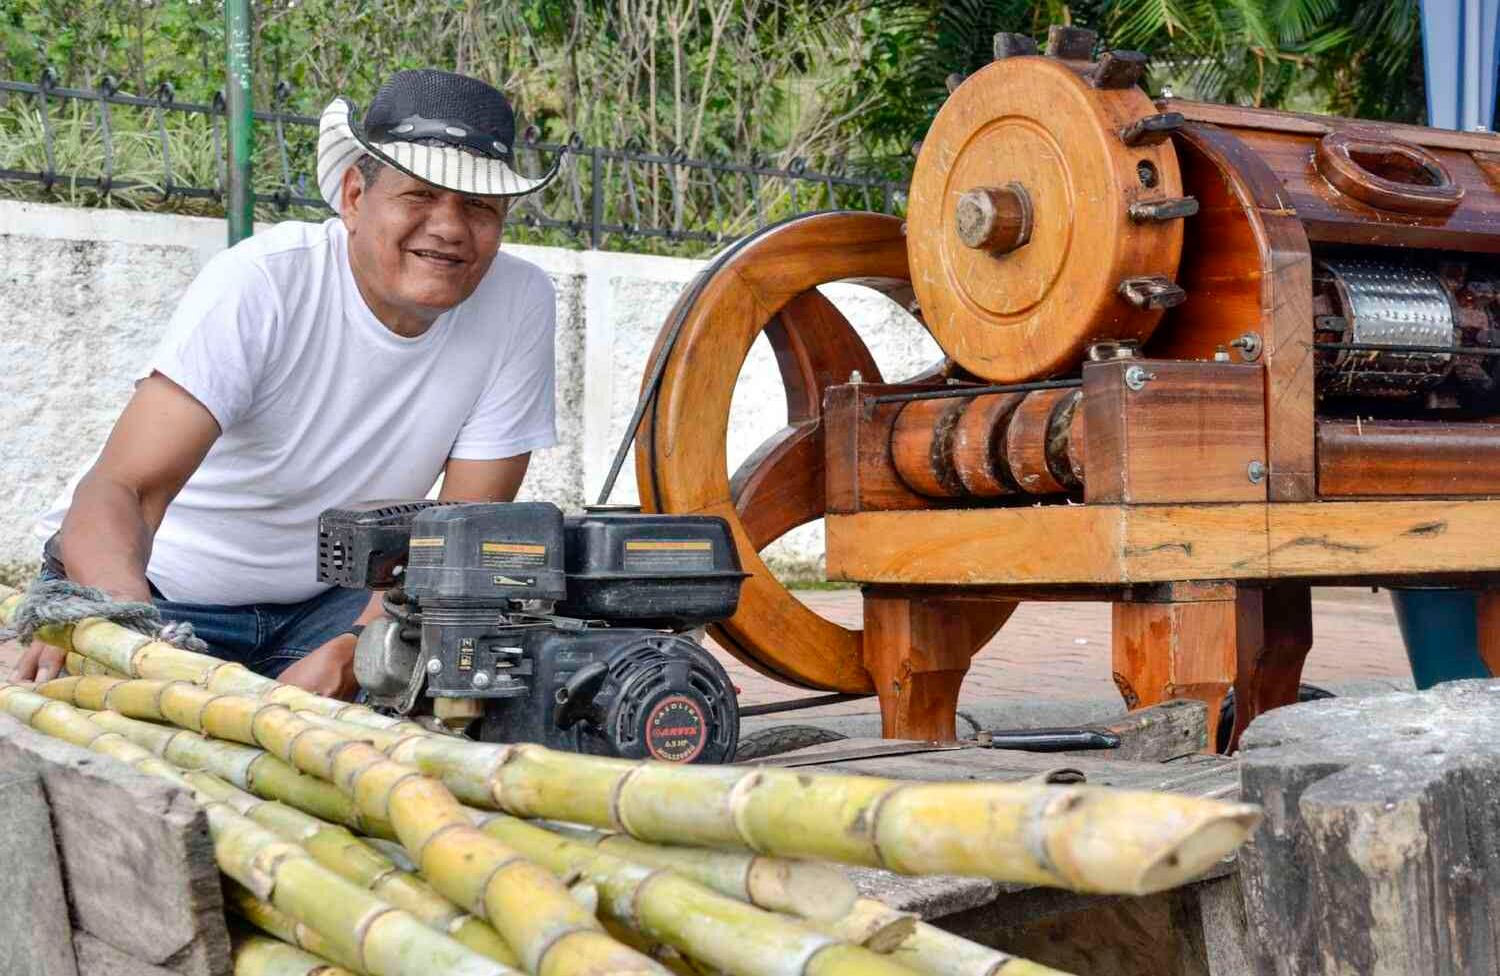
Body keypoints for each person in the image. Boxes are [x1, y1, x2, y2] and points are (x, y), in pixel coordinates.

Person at [8, 69, 561, 698]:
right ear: (355, 196)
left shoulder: (520, 300)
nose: (450, 227)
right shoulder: (266, 281)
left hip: (327, 609)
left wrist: (356, 651)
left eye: (479, 206)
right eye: (419, 196)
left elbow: (459, 532)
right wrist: (124, 632)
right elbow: (122, 488)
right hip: (164, 592)